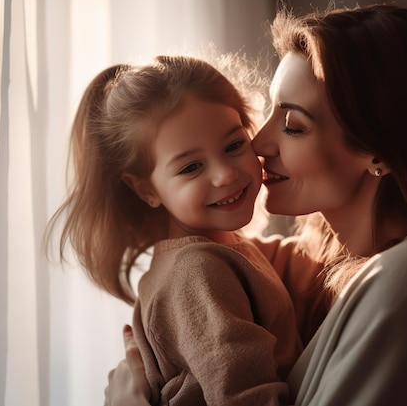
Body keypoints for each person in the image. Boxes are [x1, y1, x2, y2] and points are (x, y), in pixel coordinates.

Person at [104, 2, 407, 406]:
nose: (258, 143)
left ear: (379, 151)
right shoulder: (334, 268)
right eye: (266, 114)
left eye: (293, 125)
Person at [47, 53, 331, 406]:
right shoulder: (197, 272)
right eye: (191, 167)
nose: (225, 174)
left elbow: (302, 259)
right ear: (146, 190)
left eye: (233, 145)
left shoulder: (223, 251)